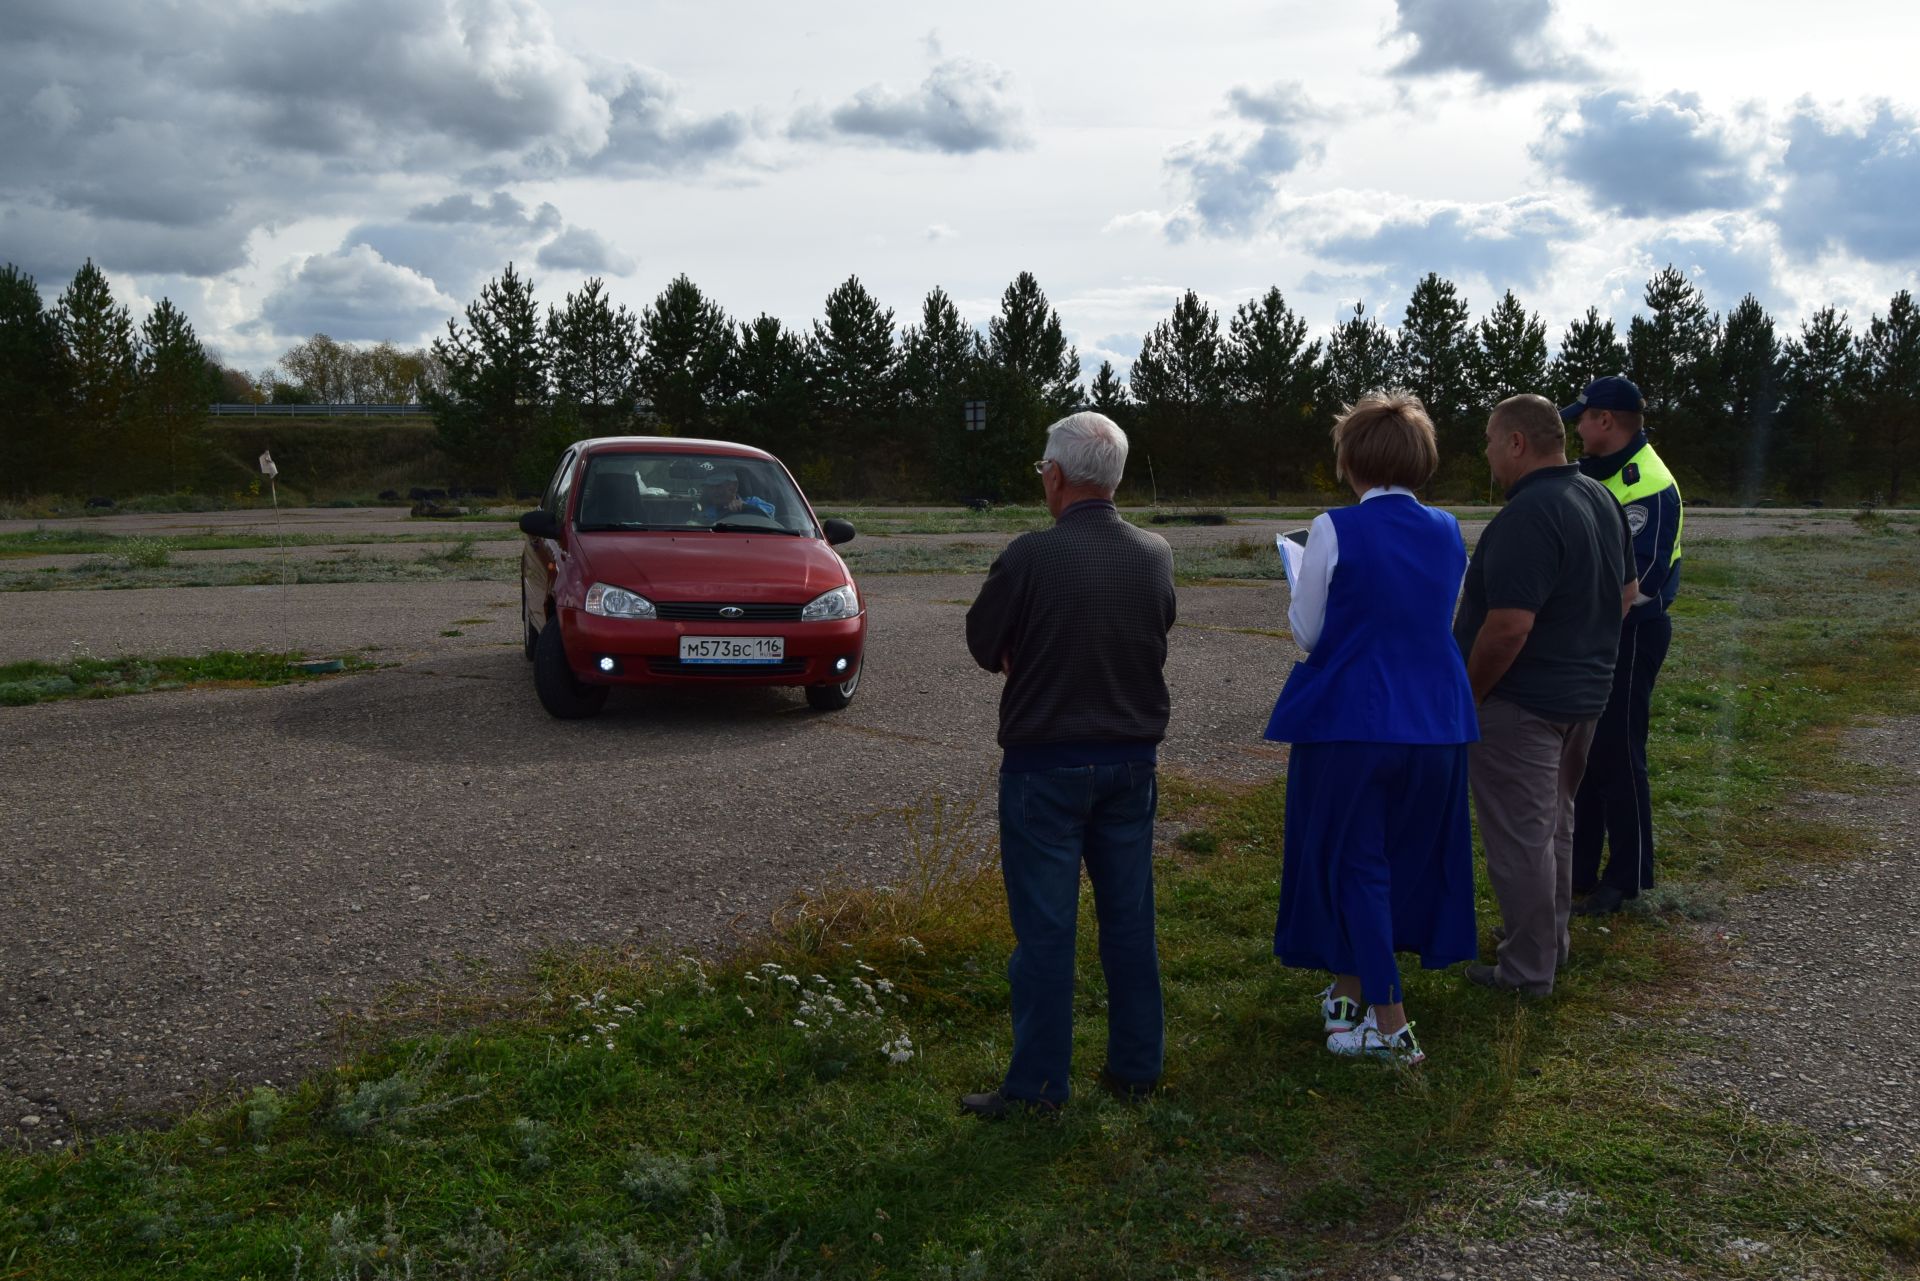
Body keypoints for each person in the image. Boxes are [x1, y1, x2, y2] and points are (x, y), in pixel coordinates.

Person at [961, 412, 1176, 1117]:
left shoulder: (1028, 556)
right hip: (1130, 762)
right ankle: (1138, 1066)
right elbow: (1155, 628)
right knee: (1129, 920)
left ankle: (1039, 1085)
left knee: (1047, 931)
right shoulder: (1155, 554)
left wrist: (1015, 649)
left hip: (1043, 765)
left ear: (1055, 477)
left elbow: (981, 636)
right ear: (1113, 478)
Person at [1264, 394, 1479, 1066]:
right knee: (1400, 859)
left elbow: (1308, 633)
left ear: (1349, 460)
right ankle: (1349, 990)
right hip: (1437, 720)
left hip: (1354, 720)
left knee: (1355, 862)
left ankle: (1391, 1025)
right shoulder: (1448, 528)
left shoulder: (1333, 527)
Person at [1455, 394, 1637, 996]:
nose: (1486, 453)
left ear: (1516, 442)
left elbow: (1507, 626)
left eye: (1489, 440)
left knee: (1521, 840)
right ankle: (1549, 946)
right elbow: (1627, 591)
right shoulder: (1600, 498)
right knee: (1554, 824)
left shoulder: (1529, 514)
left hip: (1523, 703)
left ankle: (1527, 970)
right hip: (1583, 697)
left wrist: (1469, 696)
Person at [1564, 376, 1682, 916]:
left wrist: (1580, 620)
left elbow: (1647, 576)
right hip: (1592, 632)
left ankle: (1626, 876)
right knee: (1584, 755)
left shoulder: (1649, 481)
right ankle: (1580, 868)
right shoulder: (1592, 472)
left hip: (1629, 634)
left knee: (1618, 752)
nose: (1577, 427)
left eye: (1582, 417)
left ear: (1605, 421)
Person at [697, 471, 774, 523]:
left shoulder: (753, 502)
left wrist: (744, 507)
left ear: (734, 487)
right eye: (710, 487)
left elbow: (770, 512)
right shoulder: (709, 512)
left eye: (718, 486)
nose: (714, 491)